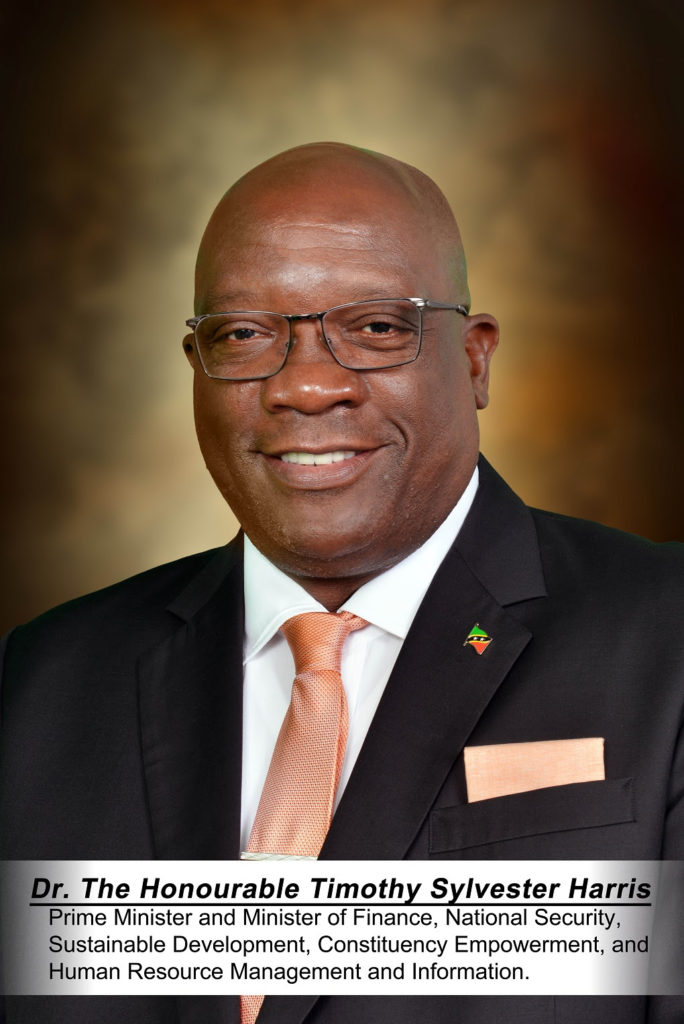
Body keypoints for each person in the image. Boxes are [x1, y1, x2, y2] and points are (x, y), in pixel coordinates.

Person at [1, 143, 682, 1024]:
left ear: (475, 360)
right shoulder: (44, 682)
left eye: (377, 328)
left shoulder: (662, 639)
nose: (307, 386)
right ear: (196, 366)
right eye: (244, 334)